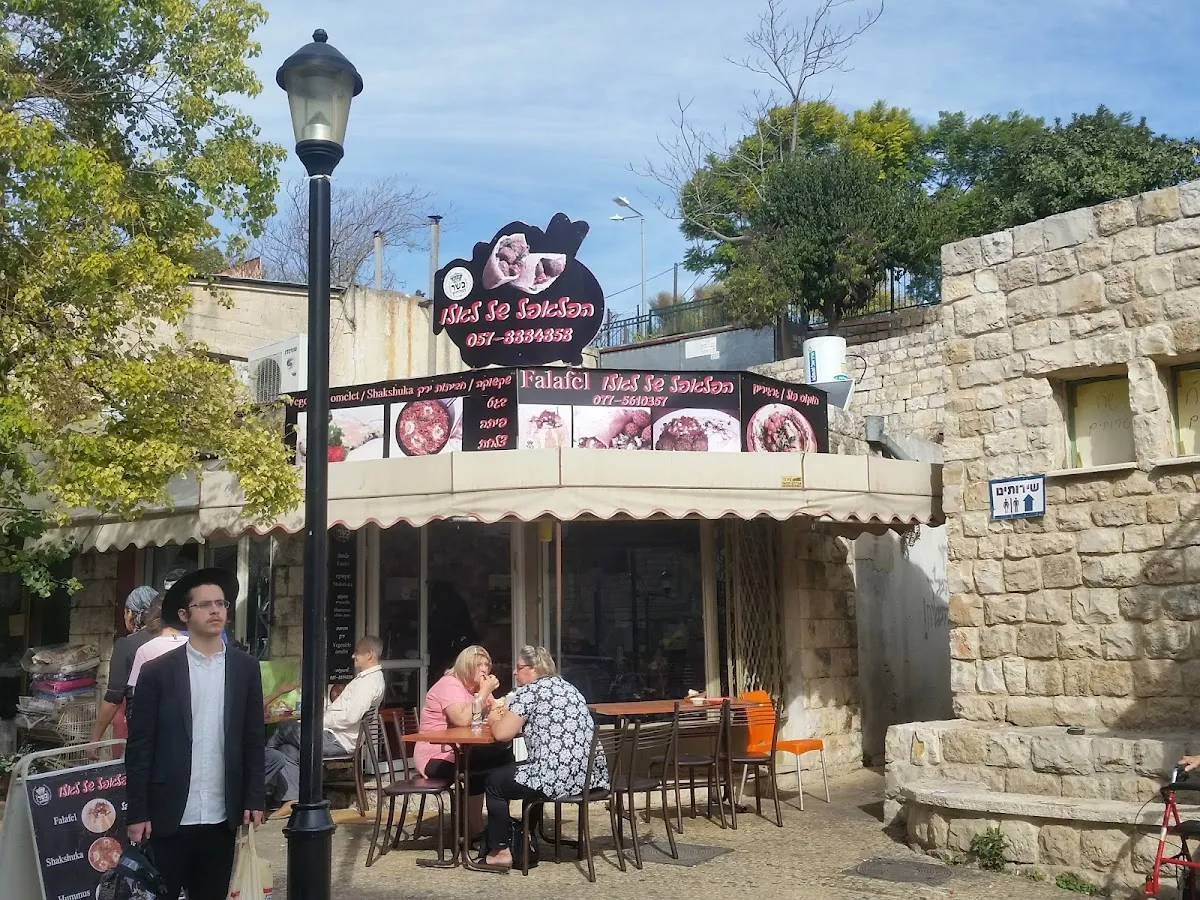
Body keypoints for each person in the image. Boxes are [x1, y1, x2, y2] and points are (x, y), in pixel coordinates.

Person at [125, 567, 265, 900]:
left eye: (221, 603)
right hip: (168, 812)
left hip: (222, 812)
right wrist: (138, 811)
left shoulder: (245, 668)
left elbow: (253, 738)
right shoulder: (157, 672)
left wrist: (254, 797)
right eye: (204, 604)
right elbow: (140, 746)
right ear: (184, 615)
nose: (215, 611)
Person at [483, 646, 608, 868]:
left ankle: (500, 851)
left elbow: (502, 734)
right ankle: (526, 837)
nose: (514, 672)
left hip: (557, 777)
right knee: (527, 772)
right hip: (588, 778)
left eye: (519, 667)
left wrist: (493, 718)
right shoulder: (569, 688)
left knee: (494, 781)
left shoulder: (529, 692)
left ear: (534, 669)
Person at [264, 636, 385, 819]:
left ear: (369, 655)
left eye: (357, 652)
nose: (353, 656)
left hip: (337, 741)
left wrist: (317, 722)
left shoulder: (368, 683)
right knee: (287, 750)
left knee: (284, 728)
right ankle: (292, 799)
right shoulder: (368, 679)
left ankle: (259, 777)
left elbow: (349, 717)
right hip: (334, 736)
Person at [415, 645, 513, 839]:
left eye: (487, 665)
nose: (484, 670)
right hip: (436, 755)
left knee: (505, 759)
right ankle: (473, 832)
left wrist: (500, 707)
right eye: (479, 665)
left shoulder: (478, 687)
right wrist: (484, 693)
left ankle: (500, 826)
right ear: (465, 667)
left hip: (463, 751)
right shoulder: (450, 685)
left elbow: (497, 711)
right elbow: (461, 719)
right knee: (475, 769)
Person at [88, 588, 160, 757]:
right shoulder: (174, 639)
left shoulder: (127, 646)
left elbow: (113, 698)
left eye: (126, 612)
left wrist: (95, 739)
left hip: (141, 734)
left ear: (131, 614)